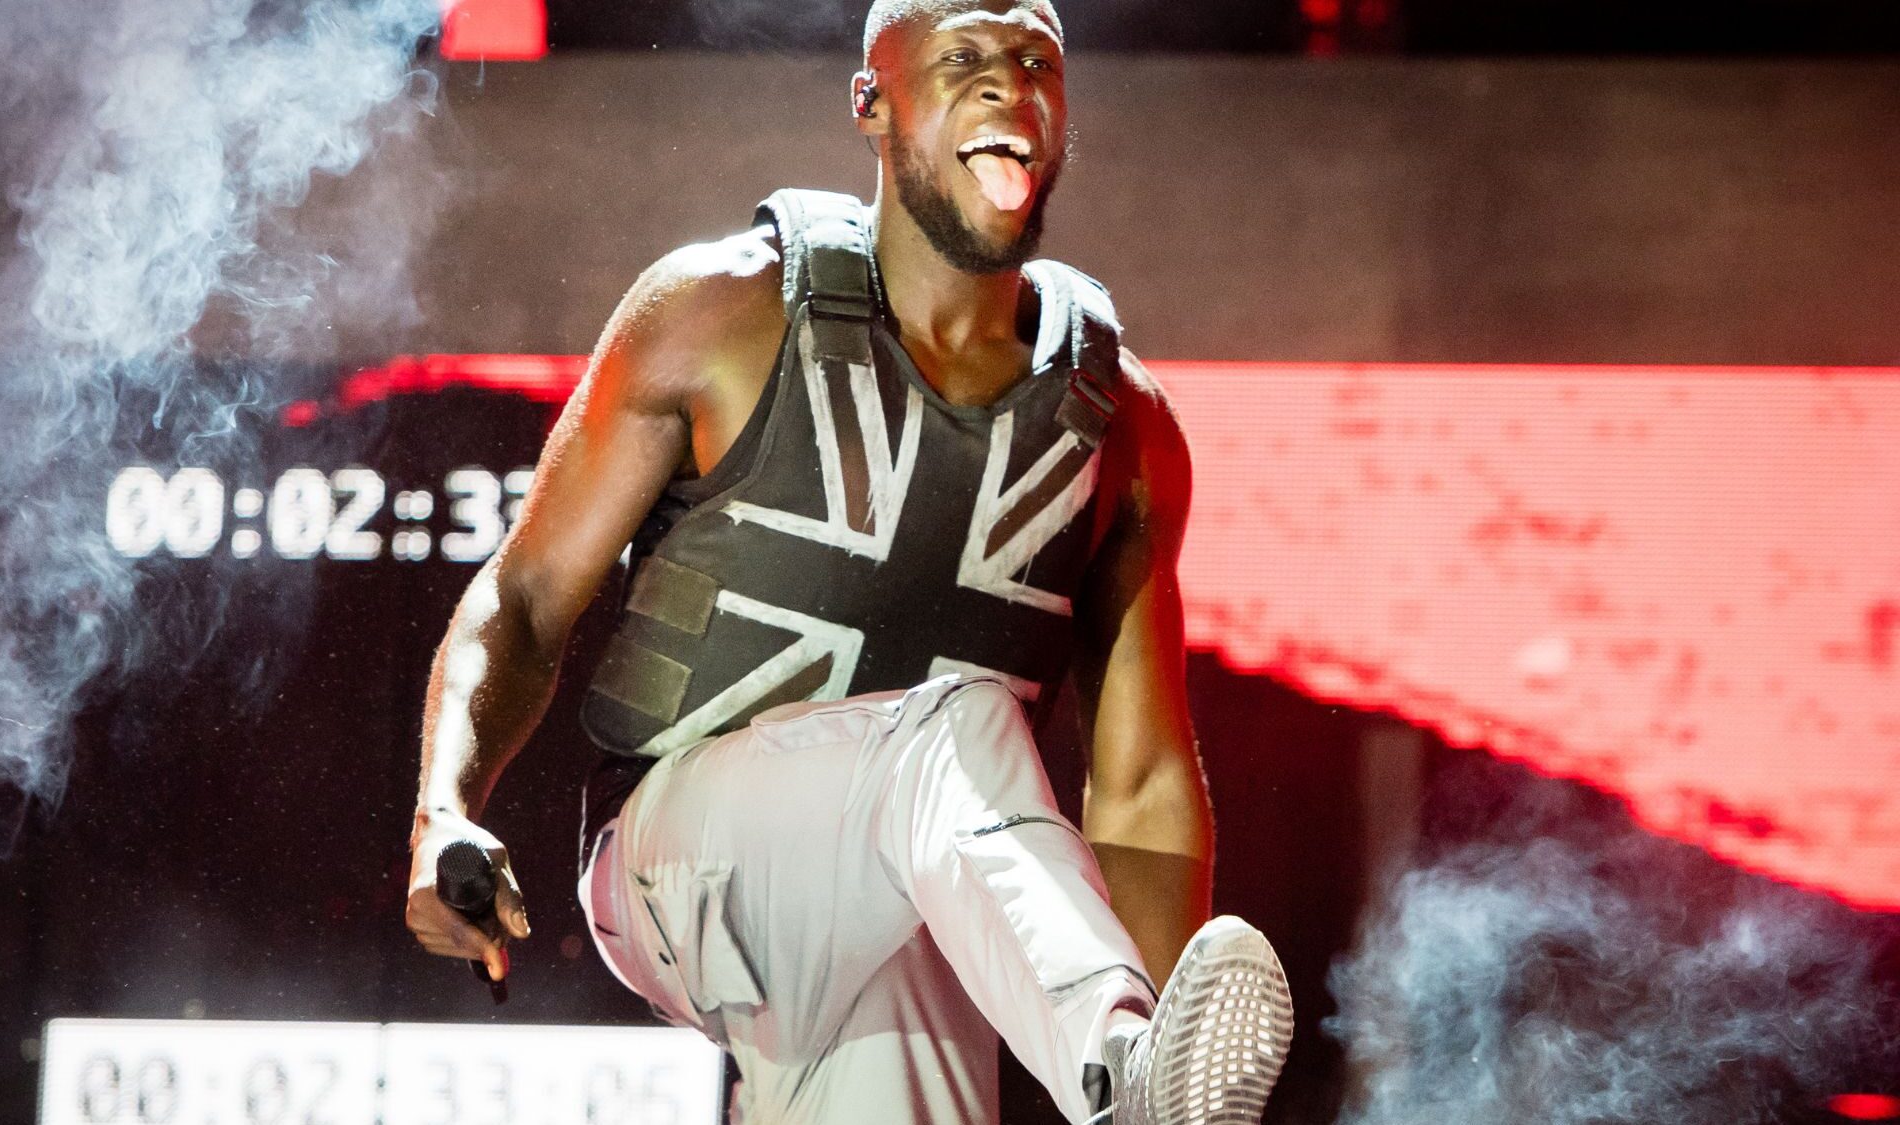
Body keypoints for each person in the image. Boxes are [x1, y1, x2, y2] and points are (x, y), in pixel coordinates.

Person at [405, 1, 1293, 1121]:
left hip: (910, 894)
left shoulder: (1122, 424)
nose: (1004, 85)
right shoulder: (722, 312)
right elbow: (526, 600)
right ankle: (1116, 1063)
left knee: (914, 967)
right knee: (954, 728)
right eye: (961, 57)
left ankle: (1131, 1084)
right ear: (870, 106)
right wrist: (446, 809)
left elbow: (1142, 786)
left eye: (1034, 62)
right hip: (680, 867)